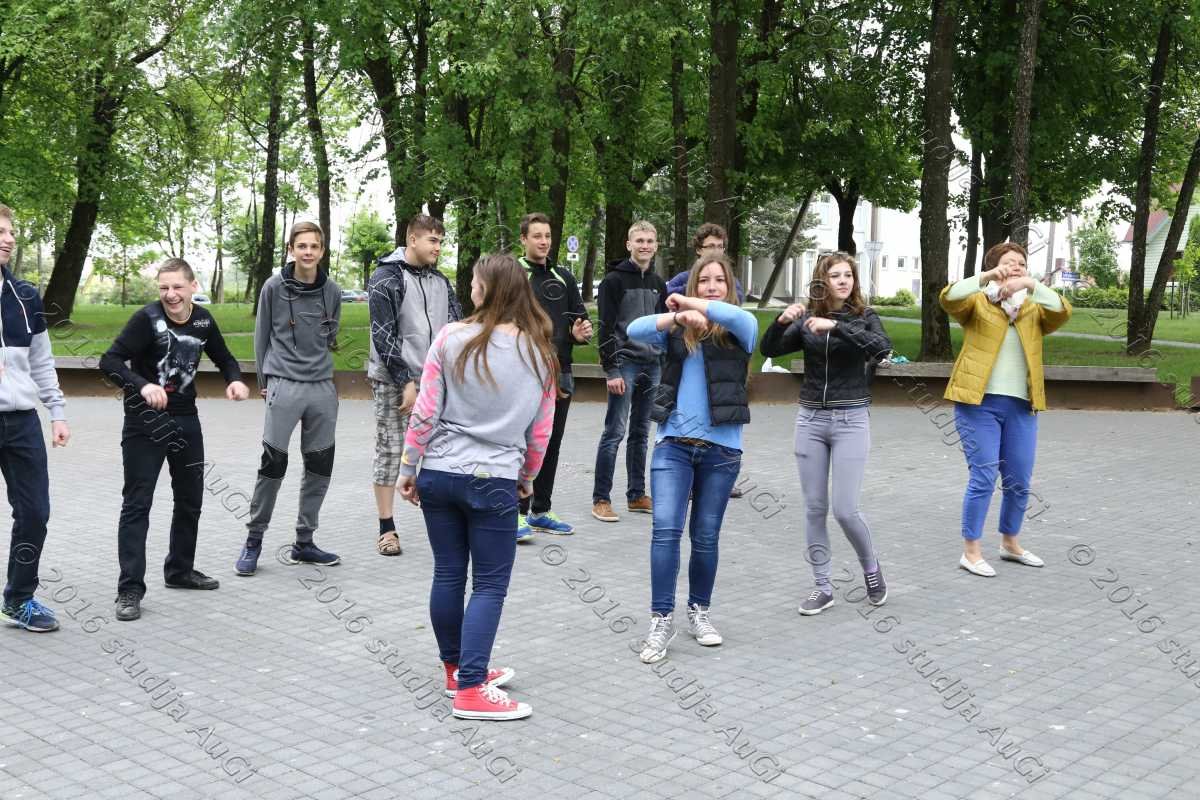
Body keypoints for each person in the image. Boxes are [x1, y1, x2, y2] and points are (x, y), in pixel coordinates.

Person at [397, 253, 556, 720]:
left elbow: (426, 410)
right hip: (495, 479)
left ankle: (457, 671)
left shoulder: (450, 337)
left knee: (448, 573)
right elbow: (540, 431)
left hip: (440, 473)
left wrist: (409, 466)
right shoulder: (540, 354)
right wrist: (527, 478)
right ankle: (471, 689)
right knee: (489, 584)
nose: (470, 289)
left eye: (474, 282)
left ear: (487, 289)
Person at [100, 258, 249, 622]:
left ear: (193, 286)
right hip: (144, 422)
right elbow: (110, 361)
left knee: (190, 499)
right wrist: (142, 385)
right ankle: (130, 589)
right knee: (137, 504)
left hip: (186, 420)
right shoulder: (146, 319)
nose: (170, 294)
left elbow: (224, 357)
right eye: (164, 287)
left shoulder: (203, 321)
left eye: (177, 287)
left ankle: (180, 570)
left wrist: (234, 379)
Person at [627, 253, 757, 664]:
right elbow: (633, 329)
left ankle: (699, 611)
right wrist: (676, 318)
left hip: (722, 450)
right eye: (704, 281)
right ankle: (661, 619)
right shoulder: (677, 331)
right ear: (694, 283)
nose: (712, 286)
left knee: (705, 536)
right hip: (674, 446)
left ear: (729, 287)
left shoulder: (740, 328)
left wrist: (689, 303)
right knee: (665, 531)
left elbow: (734, 316)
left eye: (719, 280)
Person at [759, 252, 892, 616]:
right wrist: (780, 322)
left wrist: (836, 327)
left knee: (845, 510)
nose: (843, 281)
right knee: (815, 509)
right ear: (823, 281)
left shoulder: (865, 316)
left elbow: (882, 348)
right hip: (811, 421)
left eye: (848, 275)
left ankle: (871, 568)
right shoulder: (806, 318)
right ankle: (822, 587)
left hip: (851, 419)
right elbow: (770, 349)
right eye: (835, 275)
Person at [940, 242, 1071, 577]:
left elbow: (1063, 311)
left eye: (1021, 263)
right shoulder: (977, 302)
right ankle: (971, 552)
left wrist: (1030, 285)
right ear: (995, 267)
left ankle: (1010, 543)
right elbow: (948, 298)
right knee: (984, 476)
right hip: (978, 404)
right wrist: (985, 277)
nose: (1016, 266)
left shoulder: (1034, 308)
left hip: (1022, 406)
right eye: (1009, 262)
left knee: (1019, 480)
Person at [235, 221, 342, 575]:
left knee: (319, 466)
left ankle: (305, 542)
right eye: (301, 246)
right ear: (291, 250)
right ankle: (254, 539)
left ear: (321, 251)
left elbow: (330, 335)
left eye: (314, 246)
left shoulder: (333, 291)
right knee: (273, 464)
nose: (308, 252)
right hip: (283, 384)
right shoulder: (273, 287)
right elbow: (261, 336)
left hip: (322, 387)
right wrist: (264, 381)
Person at [366, 215, 461, 556]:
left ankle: (443, 524)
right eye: (432, 240)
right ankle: (386, 528)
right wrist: (405, 381)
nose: (438, 247)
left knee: (438, 452)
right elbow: (383, 335)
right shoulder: (385, 278)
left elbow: (455, 328)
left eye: (440, 241)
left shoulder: (441, 281)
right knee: (391, 451)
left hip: (435, 381)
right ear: (413, 240)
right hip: (393, 381)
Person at [0, 205, 70, 632]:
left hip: (22, 421)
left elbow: (42, 362)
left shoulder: (26, 296)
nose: (8, 238)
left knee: (34, 512)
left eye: (10, 231)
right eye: (0, 231)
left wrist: (56, 412)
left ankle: (19, 598)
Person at [516, 212, 591, 540]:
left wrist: (580, 333)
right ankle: (515, 512)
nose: (544, 241)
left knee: (550, 443)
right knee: (521, 443)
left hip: (561, 372)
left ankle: (540, 510)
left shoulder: (564, 276)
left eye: (547, 236)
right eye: (537, 236)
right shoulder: (514, 275)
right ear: (523, 239)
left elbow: (580, 322)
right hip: (523, 372)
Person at [592, 220, 668, 523]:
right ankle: (601, 499)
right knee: (615, 432)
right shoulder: (613, 281)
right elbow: (605, 328)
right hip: (625, 364)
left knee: (641, 433)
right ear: (629, 244)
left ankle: (636, 495)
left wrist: (664, 361)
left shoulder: (659, 283)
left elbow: (664, 326)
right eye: (639, 241)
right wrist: (611, 369)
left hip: (653, 364)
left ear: (656, 246)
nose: (645, 246)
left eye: (649, 241)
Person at [666, 223, 746, 499]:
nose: (715, 251)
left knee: (723, 407)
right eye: (710, 246)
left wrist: (689, 302)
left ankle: (720, 475)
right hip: (690, 346)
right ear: (698, 250)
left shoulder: (732, 283)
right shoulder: (681, 281)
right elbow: (663, 313)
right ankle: (687, 477)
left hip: (722, 352)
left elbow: (733, 313)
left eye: (720, 247)